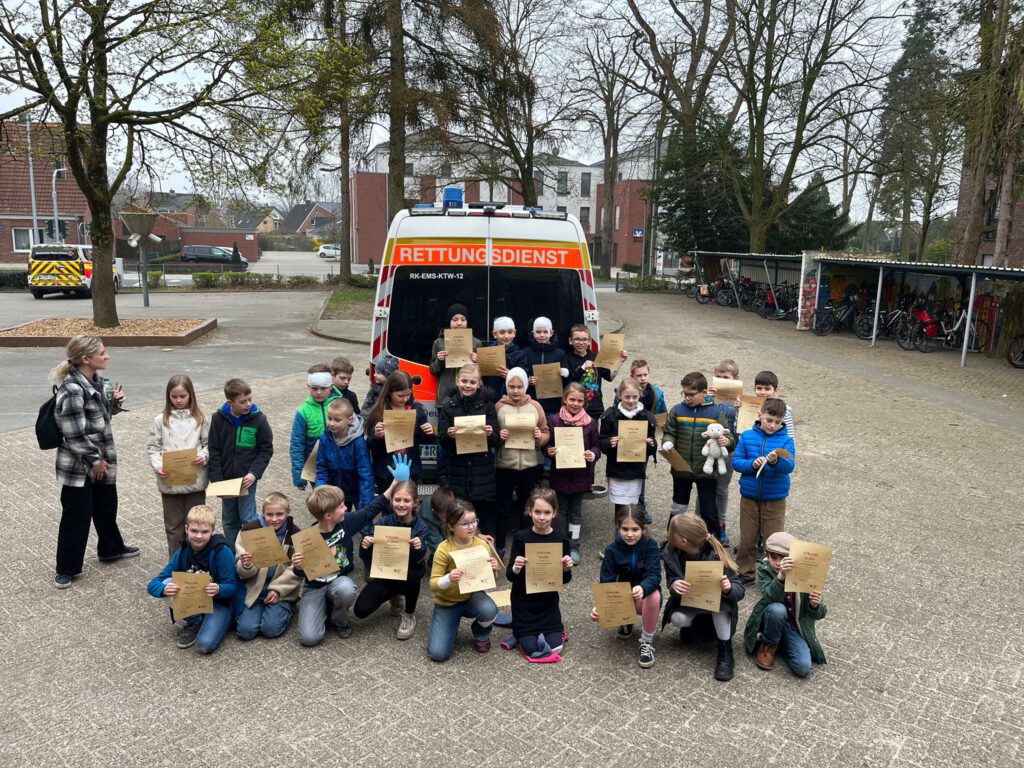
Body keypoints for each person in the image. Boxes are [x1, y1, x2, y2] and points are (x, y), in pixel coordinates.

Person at [50, 335, 137, 589]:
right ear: (86, 358)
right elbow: (73, 434)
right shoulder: (72, 390)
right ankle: (66, 568)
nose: (107, 356)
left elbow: (99, 418)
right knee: (77, 515)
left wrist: (114, 405)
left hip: (101, 460)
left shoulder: (95, 381)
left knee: (106, 505)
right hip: (79, 466)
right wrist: (96, 461)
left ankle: (111, 548)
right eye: (102, 353)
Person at [292, 459, 409, 647]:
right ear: (328, 515)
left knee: (346, 589)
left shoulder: (346, 522)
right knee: (309, 638)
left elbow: (371, 509)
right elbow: (301, 574)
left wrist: (395, 483)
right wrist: (298, 566)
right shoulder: (308, 538)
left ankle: (340, 620)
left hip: (338, 582)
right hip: (314, 587)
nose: (346, 508)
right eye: (341, 506)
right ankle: (325, 609)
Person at [146, 504, 243, 653]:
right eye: (194, 531)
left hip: (219, 603)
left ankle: (224, 620)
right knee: (167, 583)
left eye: (205, 532)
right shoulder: (183, 552)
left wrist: (218, 589)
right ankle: (195, 620)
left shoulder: (222, 552)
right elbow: (153, 584)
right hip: (195, 600)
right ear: (186, 529)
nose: (198, 536)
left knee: (204, 645)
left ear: (213, 530)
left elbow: (232, 587)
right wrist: (163, 589)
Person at [661, 514, 745, 681]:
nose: (668, 535)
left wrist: (728, 588)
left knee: (722, 610)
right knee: (676, 618)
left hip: (715, 603)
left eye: (671, 532)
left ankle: (725, 649)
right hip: (689, 602)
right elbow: (671, 579)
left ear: (683, 541)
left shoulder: (716, 553)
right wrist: (674, 585)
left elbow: (739, 589)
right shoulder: (670, 553)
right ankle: (695, 628)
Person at [660, 372, 735, 537]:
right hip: (681, 469)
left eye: (691, 394)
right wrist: (667, 442)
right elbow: (669, 432)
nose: (687, 398)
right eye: (684, 394)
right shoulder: (677, 411)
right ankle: (672, 542)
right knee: (678, 508)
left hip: (707, 472)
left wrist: (727, 441)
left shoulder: (715, 413)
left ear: (704, 392)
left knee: (709, 512)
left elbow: (729, 437)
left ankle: (713, 545)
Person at [730, 398, 796, 583]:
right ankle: (745, 572)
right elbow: (736, 462)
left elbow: (789, 466)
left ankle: (775, 576)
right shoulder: (747, 436)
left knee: (774, 540)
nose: (773, 425)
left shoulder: (786, 440)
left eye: (778, 422)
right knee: (747, 537)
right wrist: (752, 464)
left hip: (775, 498)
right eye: (769, 420)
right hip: (749, 496)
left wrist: (776, 462)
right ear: (760, 416)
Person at [744, 531, 827, 678]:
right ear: (767, 555)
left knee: (803, 668)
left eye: (783, 558)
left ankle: (782, 645)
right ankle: (769, 644)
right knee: (778, 609)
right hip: (772, 618)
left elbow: (821, 613)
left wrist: (815, 605)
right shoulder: (765, 569)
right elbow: (771, 596)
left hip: (793, 626)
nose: (778, 563)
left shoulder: (805, 572)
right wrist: (781, 576)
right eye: (774, 558)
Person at [355, 479, 429, 640]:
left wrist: (419, 548)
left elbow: (419, 564)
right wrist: (365, 545)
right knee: (360, 610)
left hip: (409, 575)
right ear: (391, 501)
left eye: (406, 500)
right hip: (387, 573)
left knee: (413, 576)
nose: (401, 504)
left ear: (415, 502)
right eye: (397, 499)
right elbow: (367, 557)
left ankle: (409, 614)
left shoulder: (421, 527)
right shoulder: (384, 522)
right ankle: (394, 594)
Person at [504, 489, 573, 662]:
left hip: (548, 604)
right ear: (529, 511)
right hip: (524, 604)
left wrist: (566, 569)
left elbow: (565, 580)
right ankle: (520, 634)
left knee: (555, 647)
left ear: (554, 513)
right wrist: (516, 567)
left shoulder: (561, 538)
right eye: (537, 512)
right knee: (531, 648)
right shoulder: (521, 538)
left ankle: (543, 632)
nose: (542, 517)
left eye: (547, 512)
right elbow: (510, 576)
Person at [427, 500, 500, 661]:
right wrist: (448, 578)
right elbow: (433, 584)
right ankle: (449, 625)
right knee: (438, 654)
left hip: (471, 596)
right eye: (465, 523)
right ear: (451, 526)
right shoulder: (443, 549)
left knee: (490, 610)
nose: (471, 527)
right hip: (447, 602)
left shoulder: (482, 545)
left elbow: (489, 580)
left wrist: (493, 570)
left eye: (474, 521)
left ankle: (481, 632)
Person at [591, 505, 661, 668]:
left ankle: (646, 642)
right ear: (618, 528)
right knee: (613, 597)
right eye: (625, 529)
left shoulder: (651, 546)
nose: (630, 534)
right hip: (622, 598)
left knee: (654, 595)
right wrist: (600, 606)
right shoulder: (611, 550)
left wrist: (643, 587)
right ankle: (625, 620)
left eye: (635, 529)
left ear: (643, 529)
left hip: (643, 596)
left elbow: (654, 575)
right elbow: (606, 582)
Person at [146, 374, 209, 556]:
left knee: (197, 525)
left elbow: (209, 444)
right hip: (170, 481)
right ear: (168, 397)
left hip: (195, 480)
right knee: (173, 527)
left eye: (183, 396)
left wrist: (203, 456)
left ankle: (197, 562)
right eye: (174, 396)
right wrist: (158, 466)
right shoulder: (160, 420)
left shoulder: (200, 418)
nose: (178, 400)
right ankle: (176, 562)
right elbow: (153, 447)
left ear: (191, 395)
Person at [207, 378, 274, 549]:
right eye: (243, 401)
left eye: (250, 399)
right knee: (229, 520)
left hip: (247, 480)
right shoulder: (218, 419)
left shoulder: (259, 420)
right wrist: (217, 480)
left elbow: (266, 450)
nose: (248, 404)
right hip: (226, 480)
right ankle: (233, 554)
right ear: (230, 402)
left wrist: (254, 473)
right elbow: (214, 450)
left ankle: (257, 552)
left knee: (248, 517)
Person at [437, 364, 500, 541]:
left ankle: (481, 549)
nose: (468, 385)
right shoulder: (448, 405)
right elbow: (442, 439)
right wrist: (449, 434)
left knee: (481, 518)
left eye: (472, 382)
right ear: (457, 381)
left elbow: (497, 439)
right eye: (464, 381)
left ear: (479, 384)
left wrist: (490, 433)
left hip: (482, 471)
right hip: (458, 470)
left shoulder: (488, 405)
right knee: (459, 517)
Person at [494, 367, 550, 558]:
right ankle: (500, 546)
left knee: (526, 508)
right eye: (511, 386)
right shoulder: (499, 407)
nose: (516, 390)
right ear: (506, 387)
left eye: (519, 386)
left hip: (529, 466)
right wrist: (499, 437)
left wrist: (539, 437)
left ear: (525, 386)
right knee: (502, 508)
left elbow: (546, 432)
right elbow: (491, 434)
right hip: (505, 466)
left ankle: (525, 545)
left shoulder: (535, 406)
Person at [234, 492, 302, 641]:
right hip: (254, 589)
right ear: (263, 512)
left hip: (281, 591)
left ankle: (288, 607)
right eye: (269, 514)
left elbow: (296, 570)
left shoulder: (296, 534)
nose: (274, 519)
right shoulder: (249, 531)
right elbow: (241, 571)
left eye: (279, 514)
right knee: (246, 632)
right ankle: (255, 612)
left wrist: (277, 589)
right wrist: (246, 565)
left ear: (288, 512)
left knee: (270, 630)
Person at [546, 382, 600, 564]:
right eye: (572, 400)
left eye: (579, 401)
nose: (575, 404)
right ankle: (562, 545)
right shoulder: (555, 421)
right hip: (560, 474)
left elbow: (596, 445)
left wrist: (592, 454)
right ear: (564, 399)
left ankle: (574, 545)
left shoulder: (590, 423)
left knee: (576, 512)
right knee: (561, 511)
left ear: (585, 402)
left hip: (581, 475)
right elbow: (547, 445)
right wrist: (548, 451)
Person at [365, 370, 434, 493]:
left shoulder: (416, 410)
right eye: (400, 396)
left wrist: (429, 432)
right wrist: (377, 436)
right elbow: (369, 445)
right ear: (389, 392)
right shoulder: (379, 411)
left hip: (410, 469)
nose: (405, 399)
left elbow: (424, 440)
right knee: (387, 502)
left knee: (408, 501)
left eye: (408, 394)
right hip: (386, 472)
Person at [599, 378, 656, 514]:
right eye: (627, 397)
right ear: (620, 395)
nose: (631, 400)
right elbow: (601, 442)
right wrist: (609, 442)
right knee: (620, 507)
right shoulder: (609, 416)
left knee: (633, 505)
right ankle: (619, 528)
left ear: (640, 395)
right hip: (617, 469)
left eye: (635, 397)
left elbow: (652, 445)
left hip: (636, 469)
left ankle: (632, 527)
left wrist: (651, 444)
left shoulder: (647, 417)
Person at [315, 397, 374, 509]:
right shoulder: (324, 439)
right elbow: (322, 467)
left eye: (337, 420)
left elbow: (365, 473)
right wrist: (321, 492)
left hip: (356, 491)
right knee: (338, 520)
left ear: (349, 420)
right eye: (330, 418)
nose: (332, 423)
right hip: (335, 492)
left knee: (361, 519)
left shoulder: (358, 442)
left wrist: (366, 504)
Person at [706, 360, 739, 545]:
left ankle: (721, 525)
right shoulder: (707, 397)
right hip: (707, 450)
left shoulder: (740, 401)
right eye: (718, 377)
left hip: (729, 451)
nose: (721, 381)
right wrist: (707, 399)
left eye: (725, 378)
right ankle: (702, 522)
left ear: (735, 379)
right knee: (705, 486)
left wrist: (741, 409)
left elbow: (744, 427)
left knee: (721, 488)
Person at [289, 364, 337, 490]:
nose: (319, 392)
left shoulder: (339, 405)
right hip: (316, 469)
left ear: (331, 386)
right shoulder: (303, 412)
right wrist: (299, 476)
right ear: (308, 386)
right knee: (323, 499)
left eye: (323, 388)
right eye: (314, 388)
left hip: (340, 466)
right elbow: (297, 445)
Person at [566, 324, 625, 420]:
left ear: (589, 341)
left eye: (584, 339)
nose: (581, 342)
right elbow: (568, 382)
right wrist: (583, 368)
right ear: (570, 341)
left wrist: (619, 362)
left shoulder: (596, 357)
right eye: (577, 339)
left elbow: (610, 377)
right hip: (576, 408)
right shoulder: (567, 359)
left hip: (595, 408)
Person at [429, 302, 482, 407]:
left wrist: (477, 362)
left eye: (463, 319)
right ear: (449, 321)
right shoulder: (439, 342)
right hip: (446, 396)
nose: (459, 323)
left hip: (470, 396)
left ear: (467, 321)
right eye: (455, 319)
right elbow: (434, 371)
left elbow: (482, 374)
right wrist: (439, 360)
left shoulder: (476, 343)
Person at [522, 316, 569, 416]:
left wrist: (565, 373)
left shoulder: (560, 353)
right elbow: (522, 372)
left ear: (551, 333)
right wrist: (528, 379)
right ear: (533, 333)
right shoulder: (525, 352)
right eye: (538, 332)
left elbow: (568, 377)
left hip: (554, 404)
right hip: (532, 403)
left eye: (545, 332)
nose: (542, 335)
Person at [481, 316, 527, 399]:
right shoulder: (487, 352)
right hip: (491, 397)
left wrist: (511, 375)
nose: (506, 336)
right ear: (495, 334)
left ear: (514, 333)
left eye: (510, 332)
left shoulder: (520, 355)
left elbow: (524, 377)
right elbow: (483, 378)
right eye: (502, 332)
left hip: (512, 398)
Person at [751, 370, 794, 436]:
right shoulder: (749, 406)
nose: (762, 392)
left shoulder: (785, 409)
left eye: (767, 389)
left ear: (775, 391)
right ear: (754, 389)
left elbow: (790, 435)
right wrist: (739, 409)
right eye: (759, 388)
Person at [360, 351, 400, 419]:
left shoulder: (397, 389)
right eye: (375, 372)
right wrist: (366, 420)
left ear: (388, 375)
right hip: (375, 420)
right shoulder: (375, 388)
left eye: (378, 373)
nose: (374, 375)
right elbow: (366, 407)